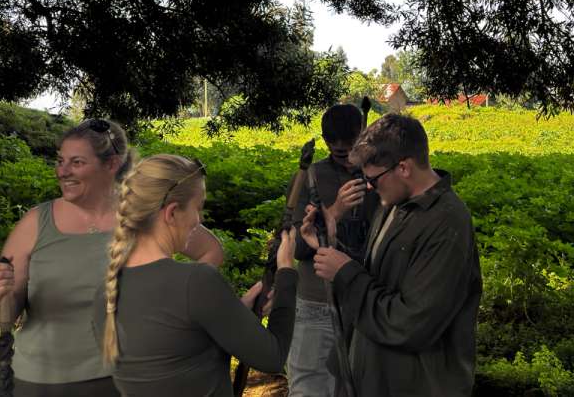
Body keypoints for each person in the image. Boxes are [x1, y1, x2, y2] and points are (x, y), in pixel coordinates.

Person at [0, 119, 223, 397]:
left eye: (77, 162)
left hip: (126, 380)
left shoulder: (144, 215)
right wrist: (0, 295)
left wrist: (176, 306)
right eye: (60, 161)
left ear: (112, 165)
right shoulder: (35, 223)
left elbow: (211, 252)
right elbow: (2, 314)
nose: (63, 171)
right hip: (40, 382)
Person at [302, 113, 481, 397]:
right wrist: (331, 245)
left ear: (404, 168)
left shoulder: (447, 224)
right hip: (372, 379)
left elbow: (410, 323)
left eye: (373, 178)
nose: (369, 186)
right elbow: (380, 276)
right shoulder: (394, 204)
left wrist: (345, 273)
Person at [94, 153, 298, 396]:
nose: (198, 220)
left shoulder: (104, 293)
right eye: (197, 208)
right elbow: (273, 357)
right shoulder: (196, 282)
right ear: (171, 213)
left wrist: (233, 315)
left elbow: (176, 357)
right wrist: (286, 271)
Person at [289, 103, 381, 397]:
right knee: (310, 387)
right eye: (333, 141)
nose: (340, 148)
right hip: (317, 302)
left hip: (365, 299)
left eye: (349, 141)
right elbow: (300, 248)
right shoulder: (311, 177)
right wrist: (336, 210)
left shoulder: (380, 175)